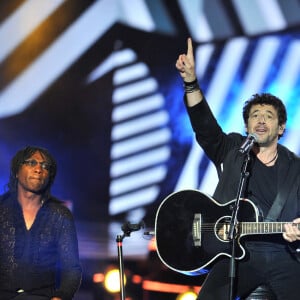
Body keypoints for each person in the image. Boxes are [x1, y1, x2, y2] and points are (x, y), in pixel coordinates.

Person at [175, 38, 300, 300]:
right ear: (247, 127)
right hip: (234, 252)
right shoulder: (233, 150)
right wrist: (191, 83)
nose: (261, 119)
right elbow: (204, 126)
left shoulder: (296, 168)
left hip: (283, 255)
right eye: (255, 115)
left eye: (269, 115)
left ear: (281, 128)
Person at [0, 146, 82, 300]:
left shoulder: (60, 215)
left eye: (45, 166)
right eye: (31, 163)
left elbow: (72, 269)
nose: (39, 169)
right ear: (17, 172)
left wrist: (61, 296)